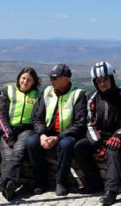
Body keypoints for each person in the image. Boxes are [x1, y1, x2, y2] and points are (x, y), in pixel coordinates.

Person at [74, 61, 121, 206]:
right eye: (99, 81)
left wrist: (118, 136)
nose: (102, 84)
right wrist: (97, 144)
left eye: (105, 80)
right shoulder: (91, 97)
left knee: (112, 150)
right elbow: (89, 123)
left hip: (120, 136)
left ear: (112, 78)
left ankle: (111, 191)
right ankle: (94, 183)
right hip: (99, 136)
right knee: (79, 147)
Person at [25, 64, 86, 197]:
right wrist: (42, 135)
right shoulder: (48, 92)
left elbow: (79, 123)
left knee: (66, 145)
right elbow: (38, 117)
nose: (51, 81)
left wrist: (58, 138)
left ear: (65, 79)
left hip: (68, 134)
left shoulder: (77, 94)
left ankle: (61, 182)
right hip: (48, 132)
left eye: (54, 78)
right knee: (31, 142)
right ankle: (41, 182)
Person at [0, 67, 43, 201]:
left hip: (26, 130)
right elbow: (0, 114)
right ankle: (9, 189)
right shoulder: (8, 91)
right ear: (18, 78)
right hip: (8, 128)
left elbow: (37, 117)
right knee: (7, 156)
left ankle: (5, 182)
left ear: (34, 82)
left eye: (29, 80)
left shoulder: (37, 95)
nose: (25, 81)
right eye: (23, 78)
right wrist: (8, 134)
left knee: (17, 152)